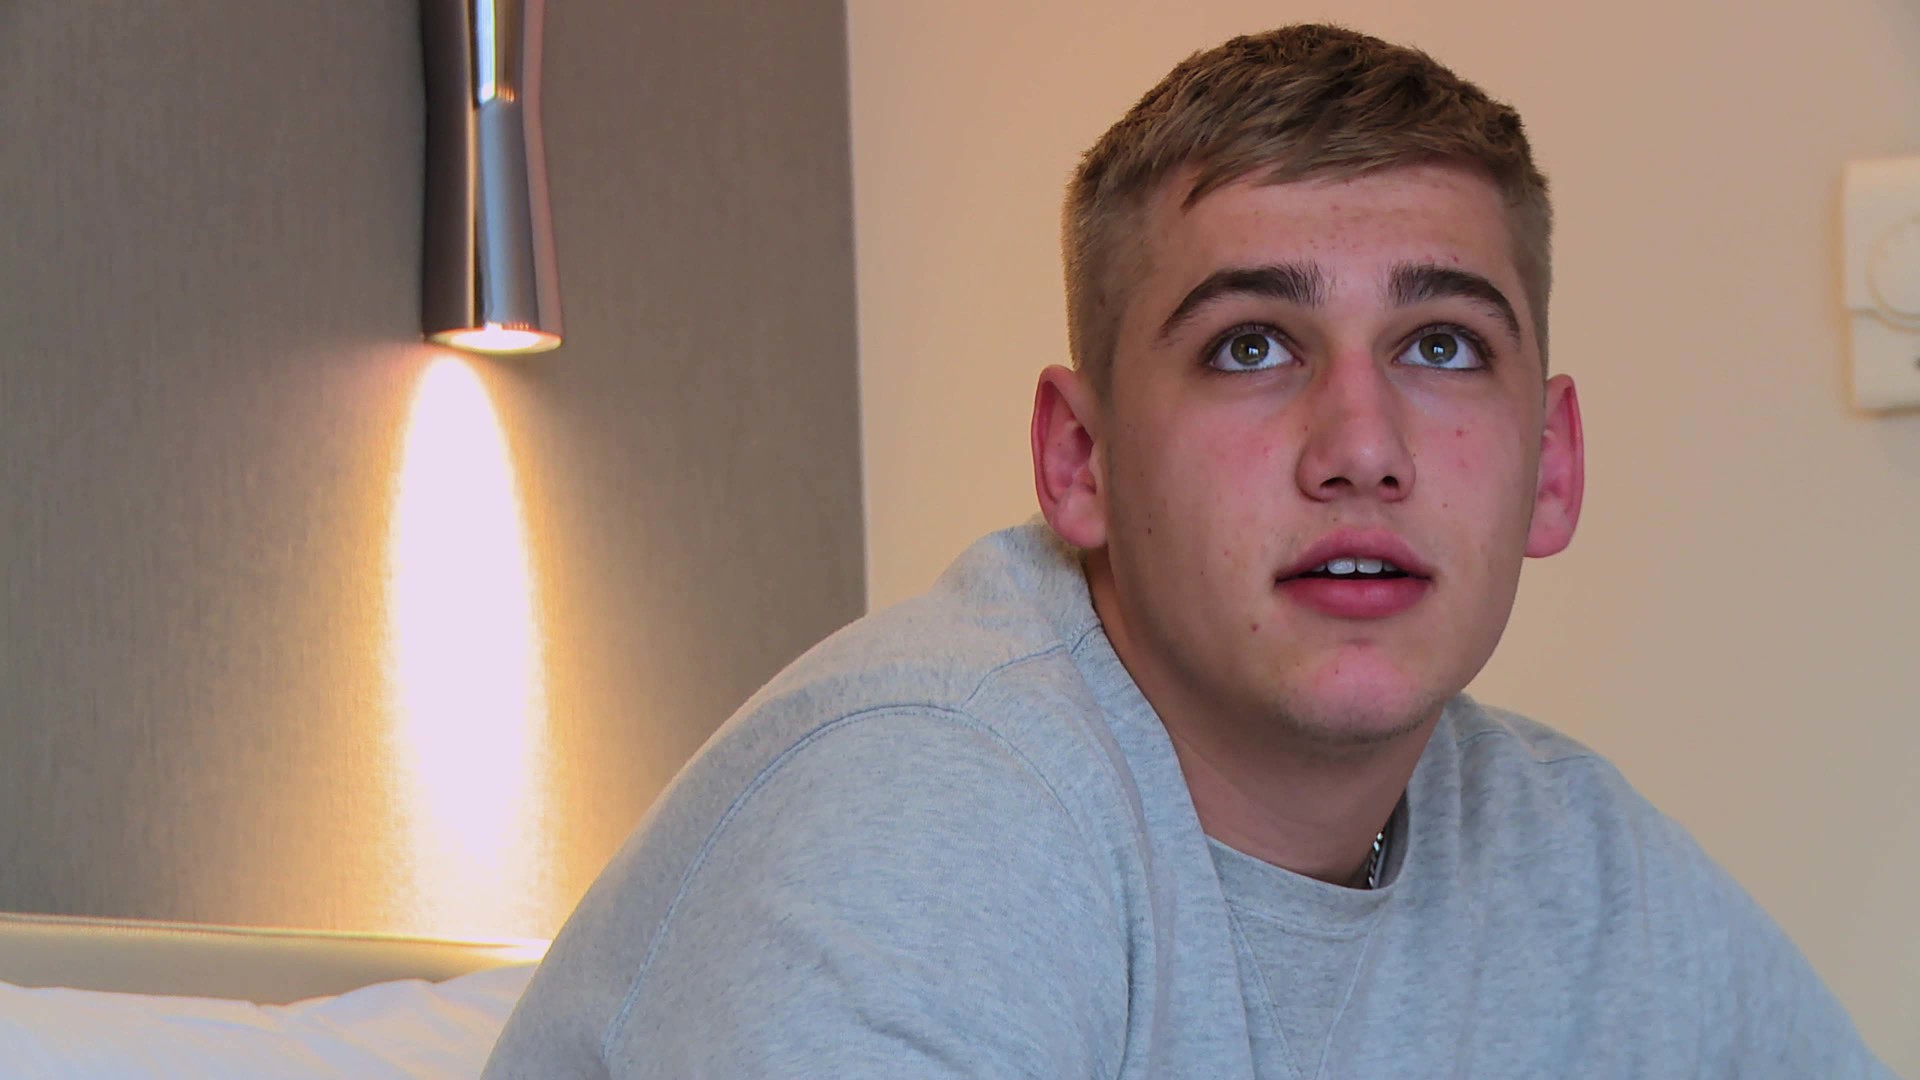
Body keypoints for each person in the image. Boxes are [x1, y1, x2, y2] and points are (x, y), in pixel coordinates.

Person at [484, 24, 1891, 1078]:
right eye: (1252, 346)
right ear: (1078, 461)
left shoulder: (1577, 870)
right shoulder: (932, 814)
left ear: (1554, 466)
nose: (1362, 444)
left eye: (1443, 346)